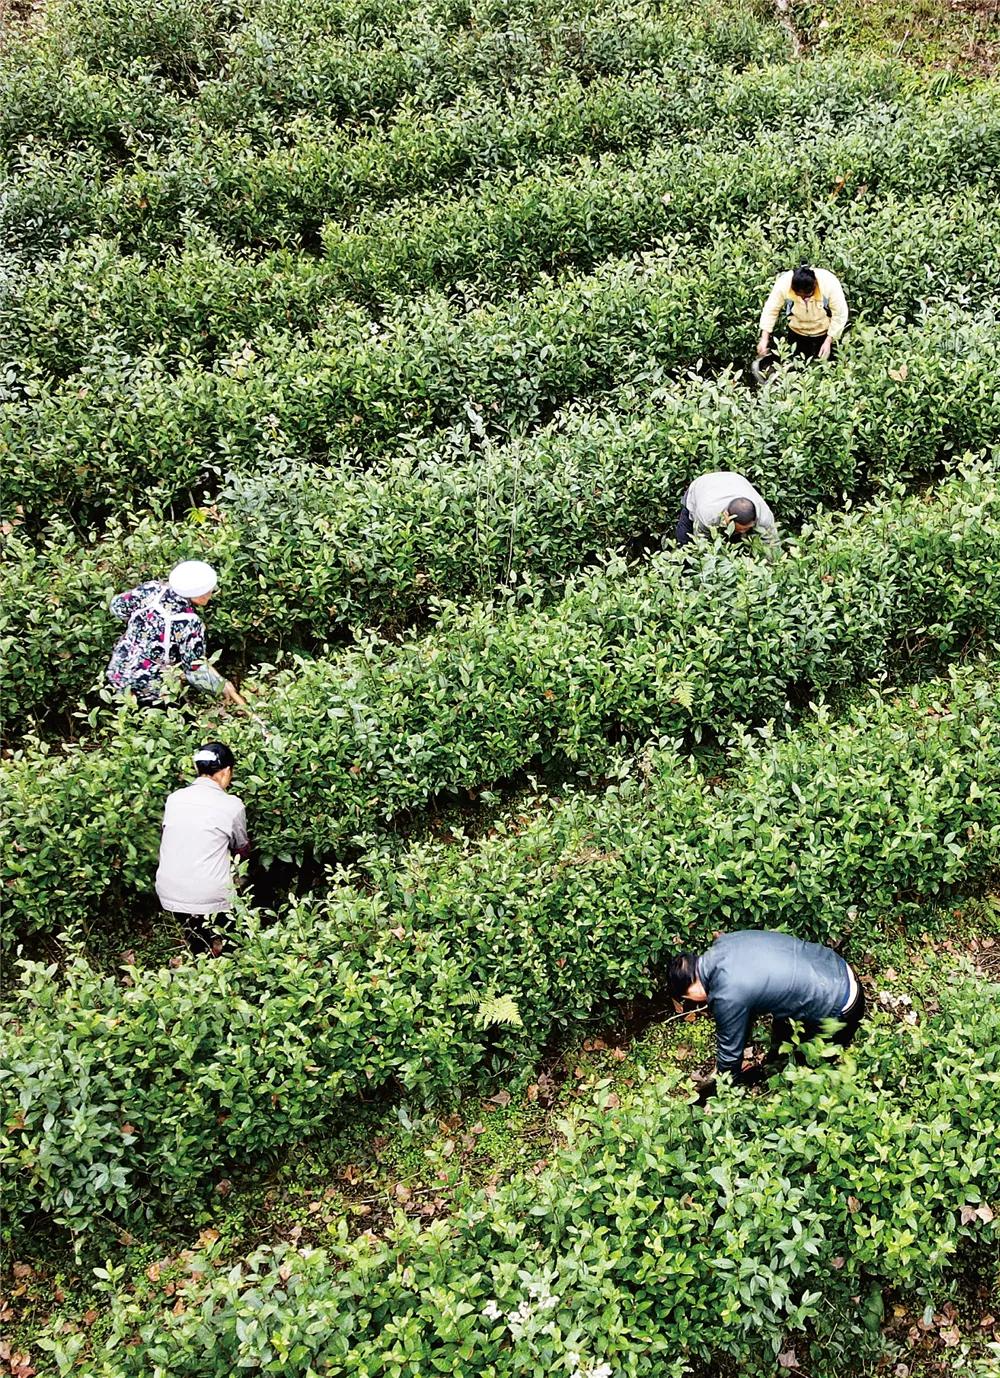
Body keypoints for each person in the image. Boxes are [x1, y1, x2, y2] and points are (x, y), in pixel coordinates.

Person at [667, 930, 866, 1095]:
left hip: (840, 1004)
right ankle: (772, 1068)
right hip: (835, 966)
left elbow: (729, 1053)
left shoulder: (727, 995)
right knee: (783, 1032)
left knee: (806, 1071)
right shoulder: (725, 943)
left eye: (689, 999)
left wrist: (722, 1094)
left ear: (691, 990)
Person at [106, 560, 245, 709]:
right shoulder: (189, 623)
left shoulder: (150, 589)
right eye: (209, 591)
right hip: (149, 691)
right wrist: (221, 687)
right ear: (199, 595)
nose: (211, 595)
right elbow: (195, 670)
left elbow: (117, 607)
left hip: (117, 672)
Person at [155, 742, 250, 954]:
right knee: (239, 878)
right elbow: (241, 849)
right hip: (211, 896)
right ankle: (230, 950)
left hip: (169, 893)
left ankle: (200, 952)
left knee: (198, 940)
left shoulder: (174, 799)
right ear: (226, 772)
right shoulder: (232, 805)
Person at [758, 264, 849, 361]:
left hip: (825, 332)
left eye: (807, 296)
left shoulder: (829, 283)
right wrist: (764, 339)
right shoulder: (783, 284)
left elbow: (840, 314)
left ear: (814, 285)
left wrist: (829, 340)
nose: (804, 299)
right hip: (797, 332)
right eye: (800, 296)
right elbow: (771, 309)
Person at [675, 471, 779, 549]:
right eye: (739, 529)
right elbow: (702, 542)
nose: (743, 532)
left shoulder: (764, 516)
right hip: (702, 487)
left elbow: (772, 544)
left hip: (734, 480)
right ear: (726, 515)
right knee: (685, 541)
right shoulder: (707, 514)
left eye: (746, 529)